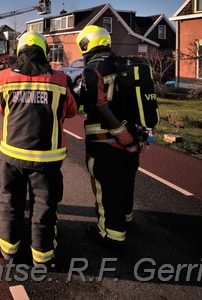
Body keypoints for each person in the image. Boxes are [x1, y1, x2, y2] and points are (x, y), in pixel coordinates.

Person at [0, 31, 78, 267]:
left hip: (11, 155)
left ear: (19, 50)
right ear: (45, 51)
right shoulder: (60, 80)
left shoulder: (3, 77)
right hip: (47, 159)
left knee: (9, 201)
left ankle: (9, 249)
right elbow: (70, 111)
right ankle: (42, 255)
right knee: (44, 206)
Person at [75, 24, 147, 247]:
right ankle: (126, 219)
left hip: (104, 142)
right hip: (133, 139)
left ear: (86, 44)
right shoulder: (126, 64)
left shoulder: (93, 69)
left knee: (106, 188)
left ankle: (110, 235)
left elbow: (92, 103)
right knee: (127, 181)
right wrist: (133, 136)